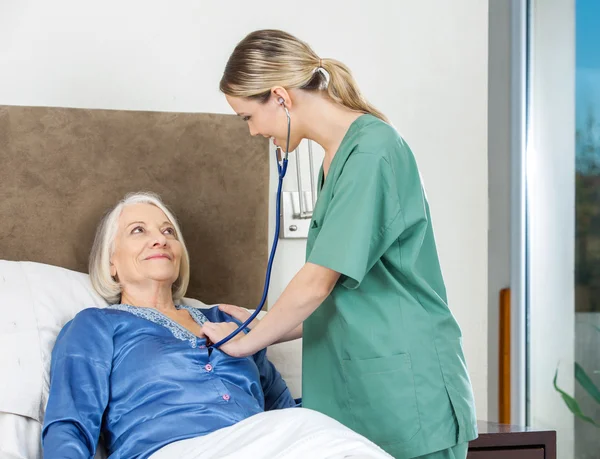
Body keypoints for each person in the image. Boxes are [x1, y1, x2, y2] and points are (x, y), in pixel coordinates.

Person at [206, 29, 478, 459]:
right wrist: (263, 322)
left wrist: (244, 344)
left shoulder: (371, 153)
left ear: (280, 97)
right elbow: (340, 299)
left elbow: (319, 282)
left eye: (247, 118)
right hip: (360, 391)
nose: (253, 133)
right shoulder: (337, 158)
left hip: (404, 392)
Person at [42, 192, 391, 459]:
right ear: (111, 262)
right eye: (138, 231)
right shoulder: (95, 326)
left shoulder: (225, 320)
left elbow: (281, 408)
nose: (160, 239)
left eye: (168, 232)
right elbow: (69, 424)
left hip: (261, 443)